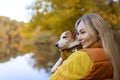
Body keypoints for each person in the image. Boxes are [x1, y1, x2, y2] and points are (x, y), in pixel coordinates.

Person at [49, 13, 120, 80]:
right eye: (78, 33)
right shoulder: (112, 54)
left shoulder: (81, 56)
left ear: (97, 32)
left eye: (83, 32)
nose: (79, 38)